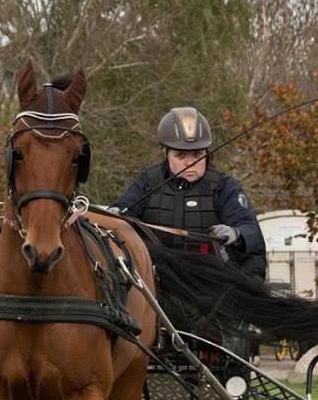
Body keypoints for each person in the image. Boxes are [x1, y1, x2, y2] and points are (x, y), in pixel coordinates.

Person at [109, 106, 267, 279]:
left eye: (197, 155)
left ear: (207, 153)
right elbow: (122, 211)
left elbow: (250, 231)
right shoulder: (148, 181)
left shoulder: (225, 186)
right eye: (181, 156)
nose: (189, 163)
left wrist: (236, 234)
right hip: (157, 283)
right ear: (165, 153)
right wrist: (114, 215)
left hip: (211, 284)